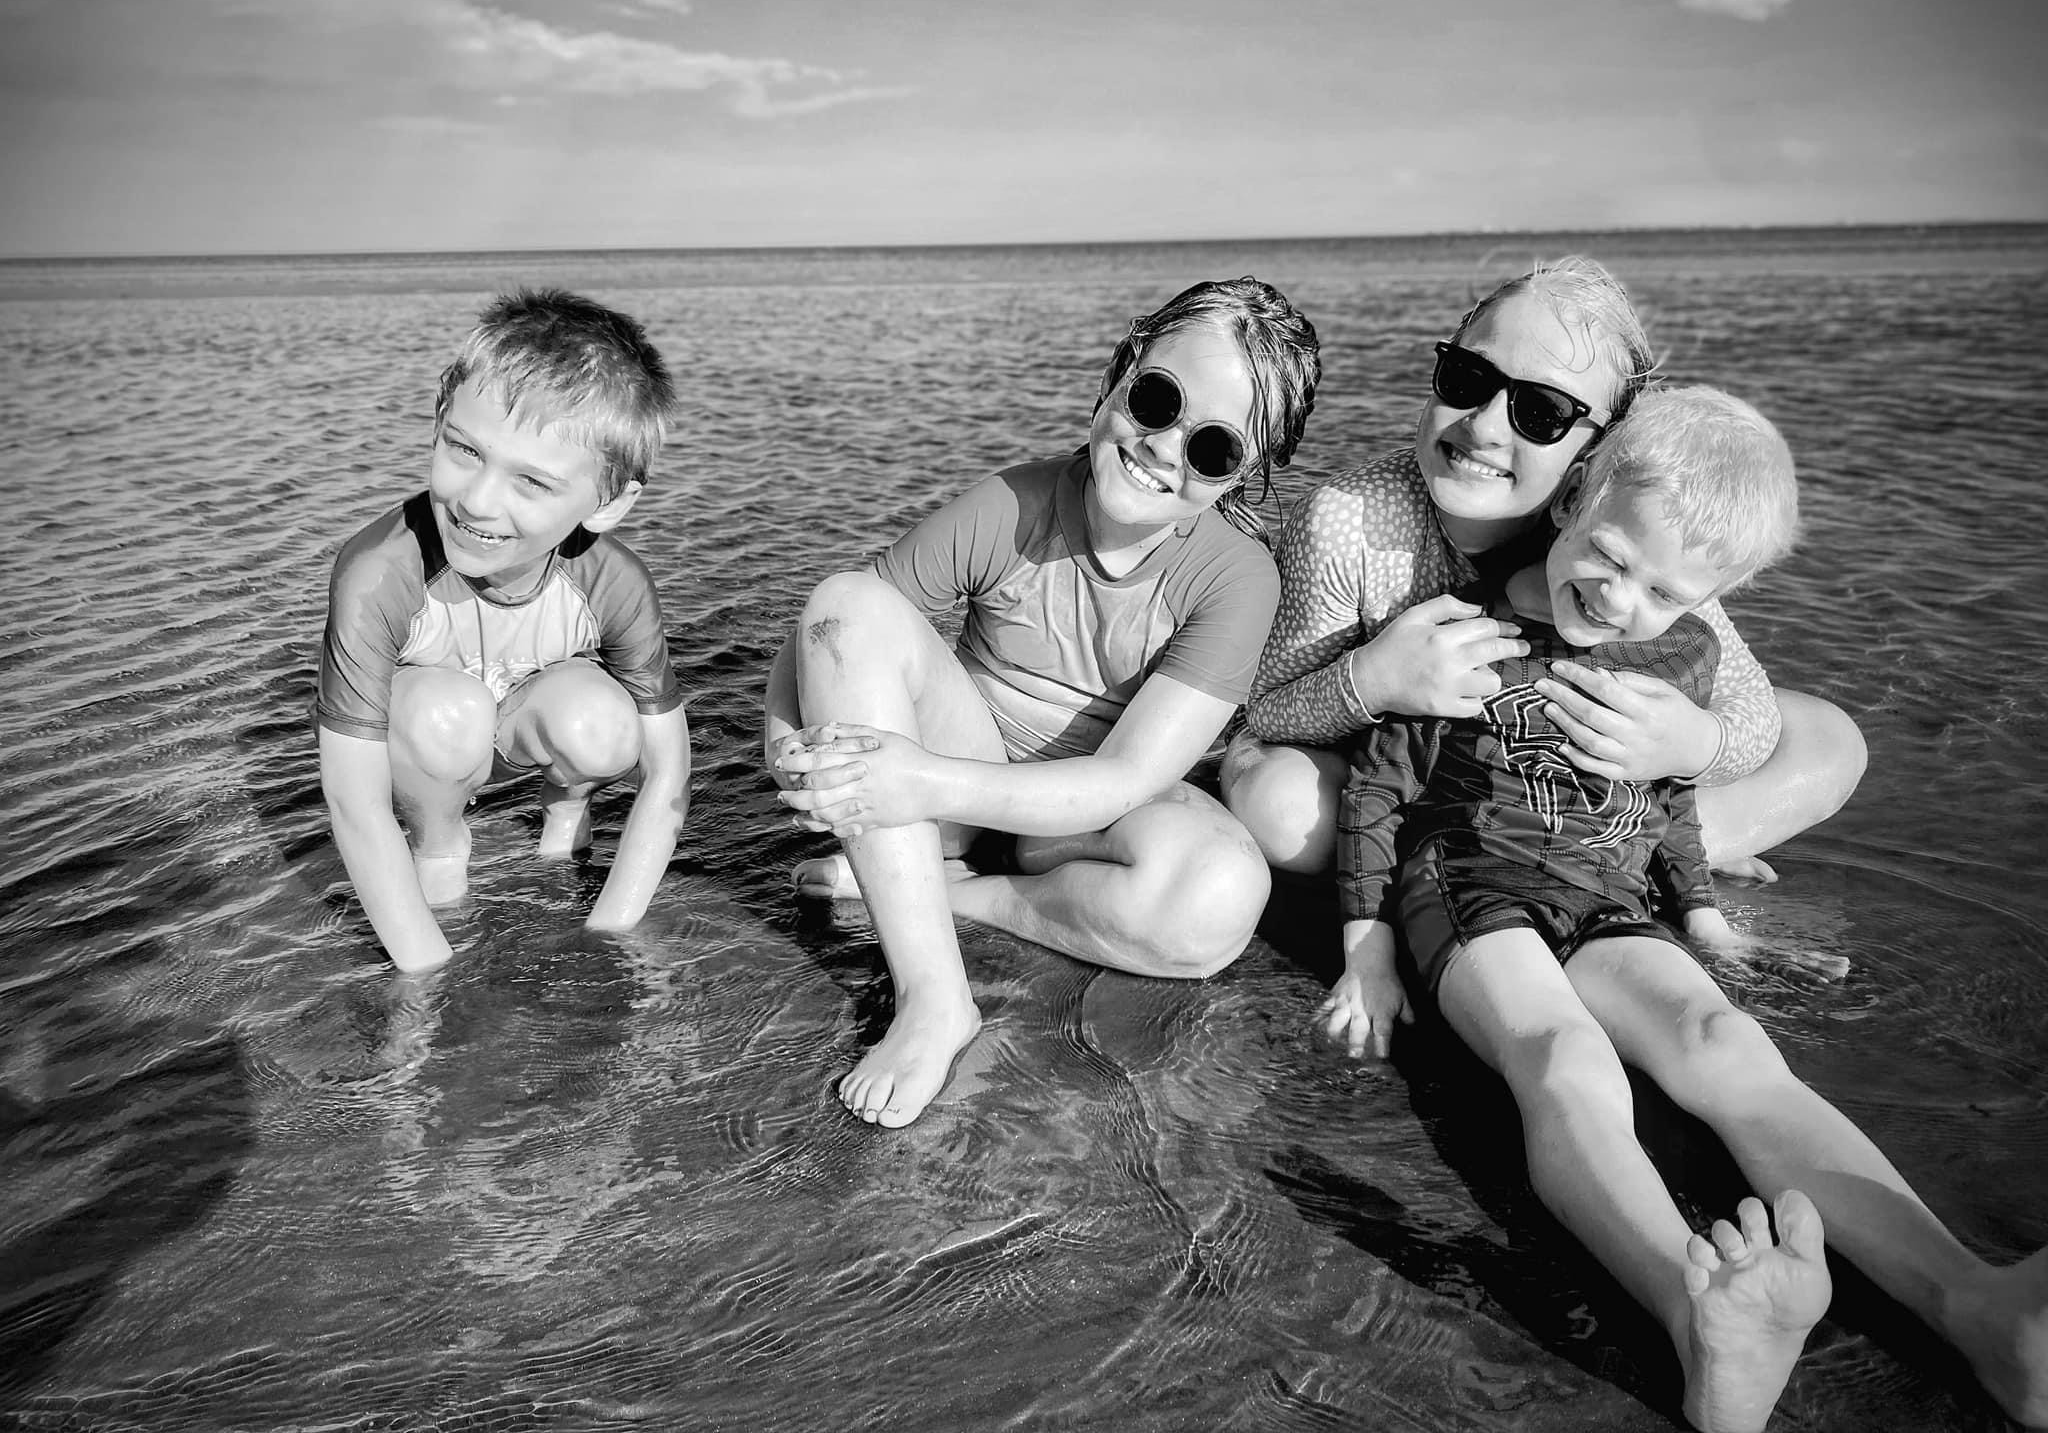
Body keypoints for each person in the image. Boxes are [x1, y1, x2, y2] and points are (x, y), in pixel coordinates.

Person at [1319, 387, 2048, 1433]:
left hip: (1606, 896)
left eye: (1662, 591)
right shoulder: (1461, 635)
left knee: (1721, 1039)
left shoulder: (1684, 657)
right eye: (1608, 556)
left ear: (1713, 597)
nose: (1616, 599)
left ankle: (1975, 1309)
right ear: (1574, 496)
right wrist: (1366, 946)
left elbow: (1665, 801)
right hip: (1469, 889)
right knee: (1561, 1055)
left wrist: (1700, 915)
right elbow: (1377, 789)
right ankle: (1692, 1310)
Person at [764, 278, 1321, 1128]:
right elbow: (833, 627)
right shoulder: (1015, 503)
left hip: (1079, 821)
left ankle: (938, 894)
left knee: (1218, 895)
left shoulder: (1234, 580)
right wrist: (784, 743)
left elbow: (1125, 778)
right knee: (847, 598)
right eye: (1157, 400)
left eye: (1213, 449)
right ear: (1120, 372)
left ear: (1244, 478)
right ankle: (934, 998)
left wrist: (915, 783)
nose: (1163, 447)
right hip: (958, 787)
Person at [1222, 256, 1866, 885]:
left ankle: (1612, 860)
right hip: (1414, 792)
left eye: (1542, 413)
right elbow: (1265, 714)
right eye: (1469, 378)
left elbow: (1749, 706)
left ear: (1605, 450)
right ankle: (1542, 872)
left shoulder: (1622, 533)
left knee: (1829, 742)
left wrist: (1693, 745)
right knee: (1277, 801)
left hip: (1570, 788)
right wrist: (1373, 681)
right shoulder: (1351, 521)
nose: (1485, 426)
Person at [315, 288, 691, 973]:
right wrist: (426, 974)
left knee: (605, 725)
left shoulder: (613, 581)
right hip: (430, 739)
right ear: (439, 420)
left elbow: (668, 771)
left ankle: (566, 815)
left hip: (529, 720)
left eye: (532, 483)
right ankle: (439, 843)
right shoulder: (379, 571)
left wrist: (609, 935)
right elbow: (352, 799)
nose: (478, 501)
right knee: (443, 715)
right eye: (464, 449)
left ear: (608, 503)